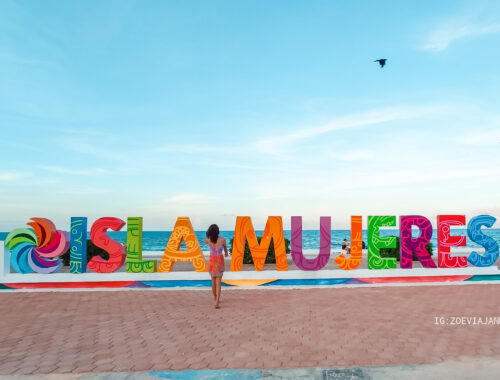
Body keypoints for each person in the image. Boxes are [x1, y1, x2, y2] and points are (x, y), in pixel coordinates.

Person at [204, 224, 228, 309]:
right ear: (218, 231)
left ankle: (215, 299)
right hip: (219, 262)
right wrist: (226, 253)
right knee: (218, 283)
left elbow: (205, 240)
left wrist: (209, 235)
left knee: (213, 282)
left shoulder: (208, 240)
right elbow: (225, 250)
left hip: (211, 262)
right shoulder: (223, 240)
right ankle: (217, 301)